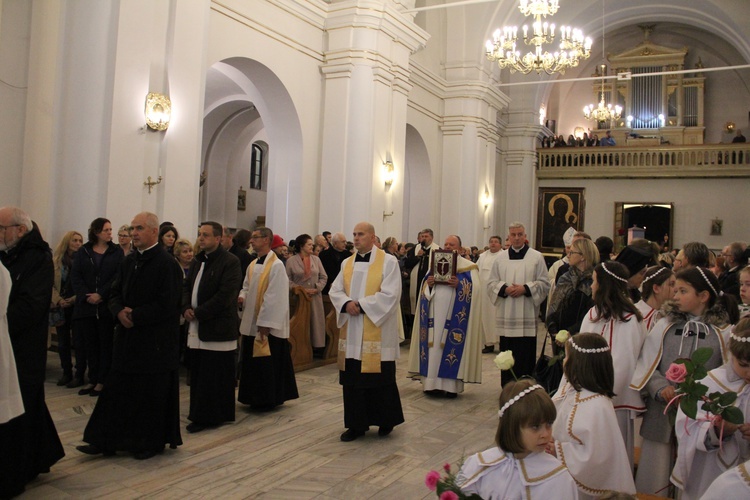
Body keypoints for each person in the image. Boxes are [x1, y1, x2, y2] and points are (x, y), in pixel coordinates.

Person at [76, 211, 183, 460]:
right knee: (116, 391)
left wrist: (136, 315)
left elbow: (168, 304)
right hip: (127, 338)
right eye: (132, 228)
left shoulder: (167, 264)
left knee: (149, 395)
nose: (134, 233)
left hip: (154, 341)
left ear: (154, 231)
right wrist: (118, 311)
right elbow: (114, 293)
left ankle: (148, 442)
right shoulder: (128, 260)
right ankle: (104, 439)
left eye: (139, 228)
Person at [630, 266, 737, 497]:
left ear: (703, 296)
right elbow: (647, 364)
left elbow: (727, 375)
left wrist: (700, 397)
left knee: (692, 475)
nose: (675, 296)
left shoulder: (721, 332)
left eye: (682, 291)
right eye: (674, 290)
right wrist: (661, 389)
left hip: (700, 417)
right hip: (662, 413)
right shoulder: (665, 325)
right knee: (655, 475)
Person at [0, 206, 64, 496]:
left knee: (21, 406)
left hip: (23, 345)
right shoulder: (7, 253)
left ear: (19, 230)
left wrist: (2, 322)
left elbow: (30, 306)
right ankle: (41, 454)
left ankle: (20, 468)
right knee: (27, 406)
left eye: (1, 229)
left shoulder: (38, 258)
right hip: (6, 343)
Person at [329, 222, 404, 441]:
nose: (356, 238)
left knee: (379, 379)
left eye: (360, 234)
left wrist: (360, 305)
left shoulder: (388, 262)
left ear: (373, 237)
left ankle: (385, 420)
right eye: (354, 234)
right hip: (352, 331)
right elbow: (335, 290)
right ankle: (356, 425)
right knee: (353, 379)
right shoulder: (347, 263)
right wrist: (345, 304)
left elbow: (391, 294)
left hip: (376, 330)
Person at [456, 379, 578, 499]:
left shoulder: (558, 478)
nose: (545, 434)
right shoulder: (479, 466)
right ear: (512, 426)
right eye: (535, 427)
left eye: (549, 424)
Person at [672, 318, 750, 499]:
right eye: (744, 365)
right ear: (732, 355)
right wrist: (717, 430)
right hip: (710, 475)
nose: (749, 373)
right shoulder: (709, 384)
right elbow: (687, 431)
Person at [578, 261, 646, 468]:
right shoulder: (592, 314)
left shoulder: (630, 319)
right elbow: (580, 351)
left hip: (613, 400)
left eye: (594, 281)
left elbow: (625, 362)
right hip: (587, 395)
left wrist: (601, 392)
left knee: (614, 457)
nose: (591, 286)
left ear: (604, 284)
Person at [552, 333, 636, 498]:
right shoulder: (567, 390)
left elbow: (596, 457)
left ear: (579, 364)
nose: (564, 361)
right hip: (559, 477)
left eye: (567, 357)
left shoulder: (598, 405)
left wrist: (556, 449)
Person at [182, 221, 241, 433]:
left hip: (217, 327)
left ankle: (212, 415)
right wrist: (186, 307)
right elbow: (187, 287)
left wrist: (198, 312)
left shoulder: (230, 262)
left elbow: (226, 296)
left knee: (215, 375)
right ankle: (199, 412)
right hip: (197, 325)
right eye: (199, 234)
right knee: (199, 373)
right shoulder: (198, 261)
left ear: (218, 238)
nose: (201, 238)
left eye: (205, 235)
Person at [408, 235, 482, 398]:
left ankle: (450, 387)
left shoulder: (469, 267)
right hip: (433, 317)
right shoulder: (433, 265)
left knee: (450, 347)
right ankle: (430, 384)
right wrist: (429, 284)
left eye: (452, 244)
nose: (448, 247)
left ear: (461, 249)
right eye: (446, 244)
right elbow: (424, 290)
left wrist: (461, 285)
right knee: (433, 347)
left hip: (455, 318)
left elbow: (476, 291)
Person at [237, 227, 299, 410]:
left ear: (266, 240)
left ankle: (267, 398)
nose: (251, 241)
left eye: (255, 238)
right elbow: (246, 286)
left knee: (266, 363)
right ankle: (252, 396)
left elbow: (275, 297)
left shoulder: (277, 265)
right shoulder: (253, 263)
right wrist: (242, 296)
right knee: (252, 362)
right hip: (251, 321)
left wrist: (265, 323)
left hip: (267, 326)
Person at [487, 222, 550, 384]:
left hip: (526, 313)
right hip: (506, 314)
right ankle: (507, 385)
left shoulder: (536, 257)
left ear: (525, 236)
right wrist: (505, 289)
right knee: (507, 352)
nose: (516, 238)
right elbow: (491, 283)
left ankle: (526, 384)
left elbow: (544, 283)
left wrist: (526, 288)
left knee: (525, 353)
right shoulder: (500, 258)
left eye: (519, 234)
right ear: (508, 236)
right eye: (513, 235)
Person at [71, 217, 123, 397]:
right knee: (89, 345)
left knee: (105, 344)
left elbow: (117, 277)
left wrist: (101, 294)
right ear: (96, 232)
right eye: (106, 230)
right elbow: (76, 276)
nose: (110, 233)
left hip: (105, 306)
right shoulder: (84, 251)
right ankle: (92, 379)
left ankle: (102, 380)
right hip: (85, 307)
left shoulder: (116, 252)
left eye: (110, 229)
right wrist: (87, 296)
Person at [546, 238, 600, 359]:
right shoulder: (565, 277)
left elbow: (592, 313)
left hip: (582, 337)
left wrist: (571, 332)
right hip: (559, 336)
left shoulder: (594, 280)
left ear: (583, 256)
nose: (568, 255)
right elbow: (554, 305)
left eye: (572, 252)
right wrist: (553, 328)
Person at [285, 233, 328, 358]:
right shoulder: (291, 261)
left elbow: (323, 277)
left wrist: (317, 288)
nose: (312, 246)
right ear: (301, 246)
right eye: (309, 244)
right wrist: (299, 289)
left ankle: (315, 348)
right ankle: (300, 348)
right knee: (301, 323)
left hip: (314, 297)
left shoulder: (316, 259)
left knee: (315, 323)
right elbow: (287, 279)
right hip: (299, 298)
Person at [51, 230, 84, 387]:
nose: (77, 243)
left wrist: (73, 299)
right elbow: (50, 285)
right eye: (74, 240)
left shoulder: (84, 261)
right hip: (60, 305)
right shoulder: (56, 261)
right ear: (67, 242)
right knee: (63, 342)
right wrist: (58, 300)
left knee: (78, 341)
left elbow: (85, 284)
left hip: (76, 304)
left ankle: (79, 373)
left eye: (80, 240)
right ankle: (66, 372)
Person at [404, 228, 440, 316]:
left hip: (430, 281)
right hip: (416, 281)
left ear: (431, 238)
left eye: (426, 236)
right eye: (422, 236)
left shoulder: (438, 249)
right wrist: (417, 257)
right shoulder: (415, 249)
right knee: (416, 305)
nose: (424, 238)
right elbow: (407, 264)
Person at [477, 236, 503, 353]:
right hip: (483, 292)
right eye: (491, 242)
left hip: (497, 293)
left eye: (496, 242)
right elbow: (476, 270)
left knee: (497, 317)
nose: (493, 244)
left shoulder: (504, 256)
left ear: (500, 244)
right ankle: (488, 344)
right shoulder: (482, 256)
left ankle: (501, 343)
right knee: (485, 317)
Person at [634, 265, 676, 332]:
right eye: (671, 284)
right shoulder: (635, 315)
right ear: (656, 288)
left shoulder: (671, 317)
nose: (676, 289)